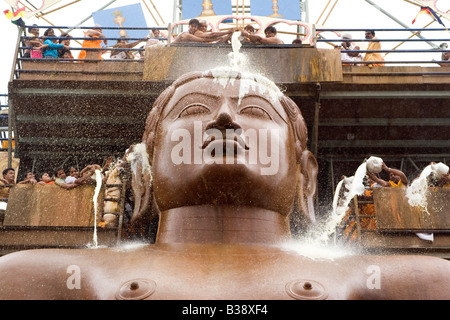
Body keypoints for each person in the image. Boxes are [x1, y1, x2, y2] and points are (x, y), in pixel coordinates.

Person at [0, 69, 449, 300]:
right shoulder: (37, 273)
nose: (224, 117)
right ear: (144, 169)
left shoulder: (405, 279)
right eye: (194, 107)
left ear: (307, 175)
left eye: (257, 110)